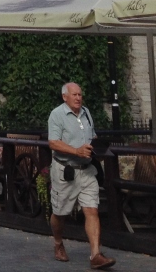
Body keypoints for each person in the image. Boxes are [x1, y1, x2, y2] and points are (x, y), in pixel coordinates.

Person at [48, 82, 114, 268]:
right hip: (65, 171)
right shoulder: (57, 114)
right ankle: (58, 243)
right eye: (74, 95)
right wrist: (76, 151)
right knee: (59, 213)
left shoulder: (86, 113)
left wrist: (98, 148)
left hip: (86, 170)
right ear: (65, 97)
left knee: (92, 210)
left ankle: (95, 255)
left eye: (80, 95)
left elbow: (92, 137)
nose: (78, 98)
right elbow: (53, 143)